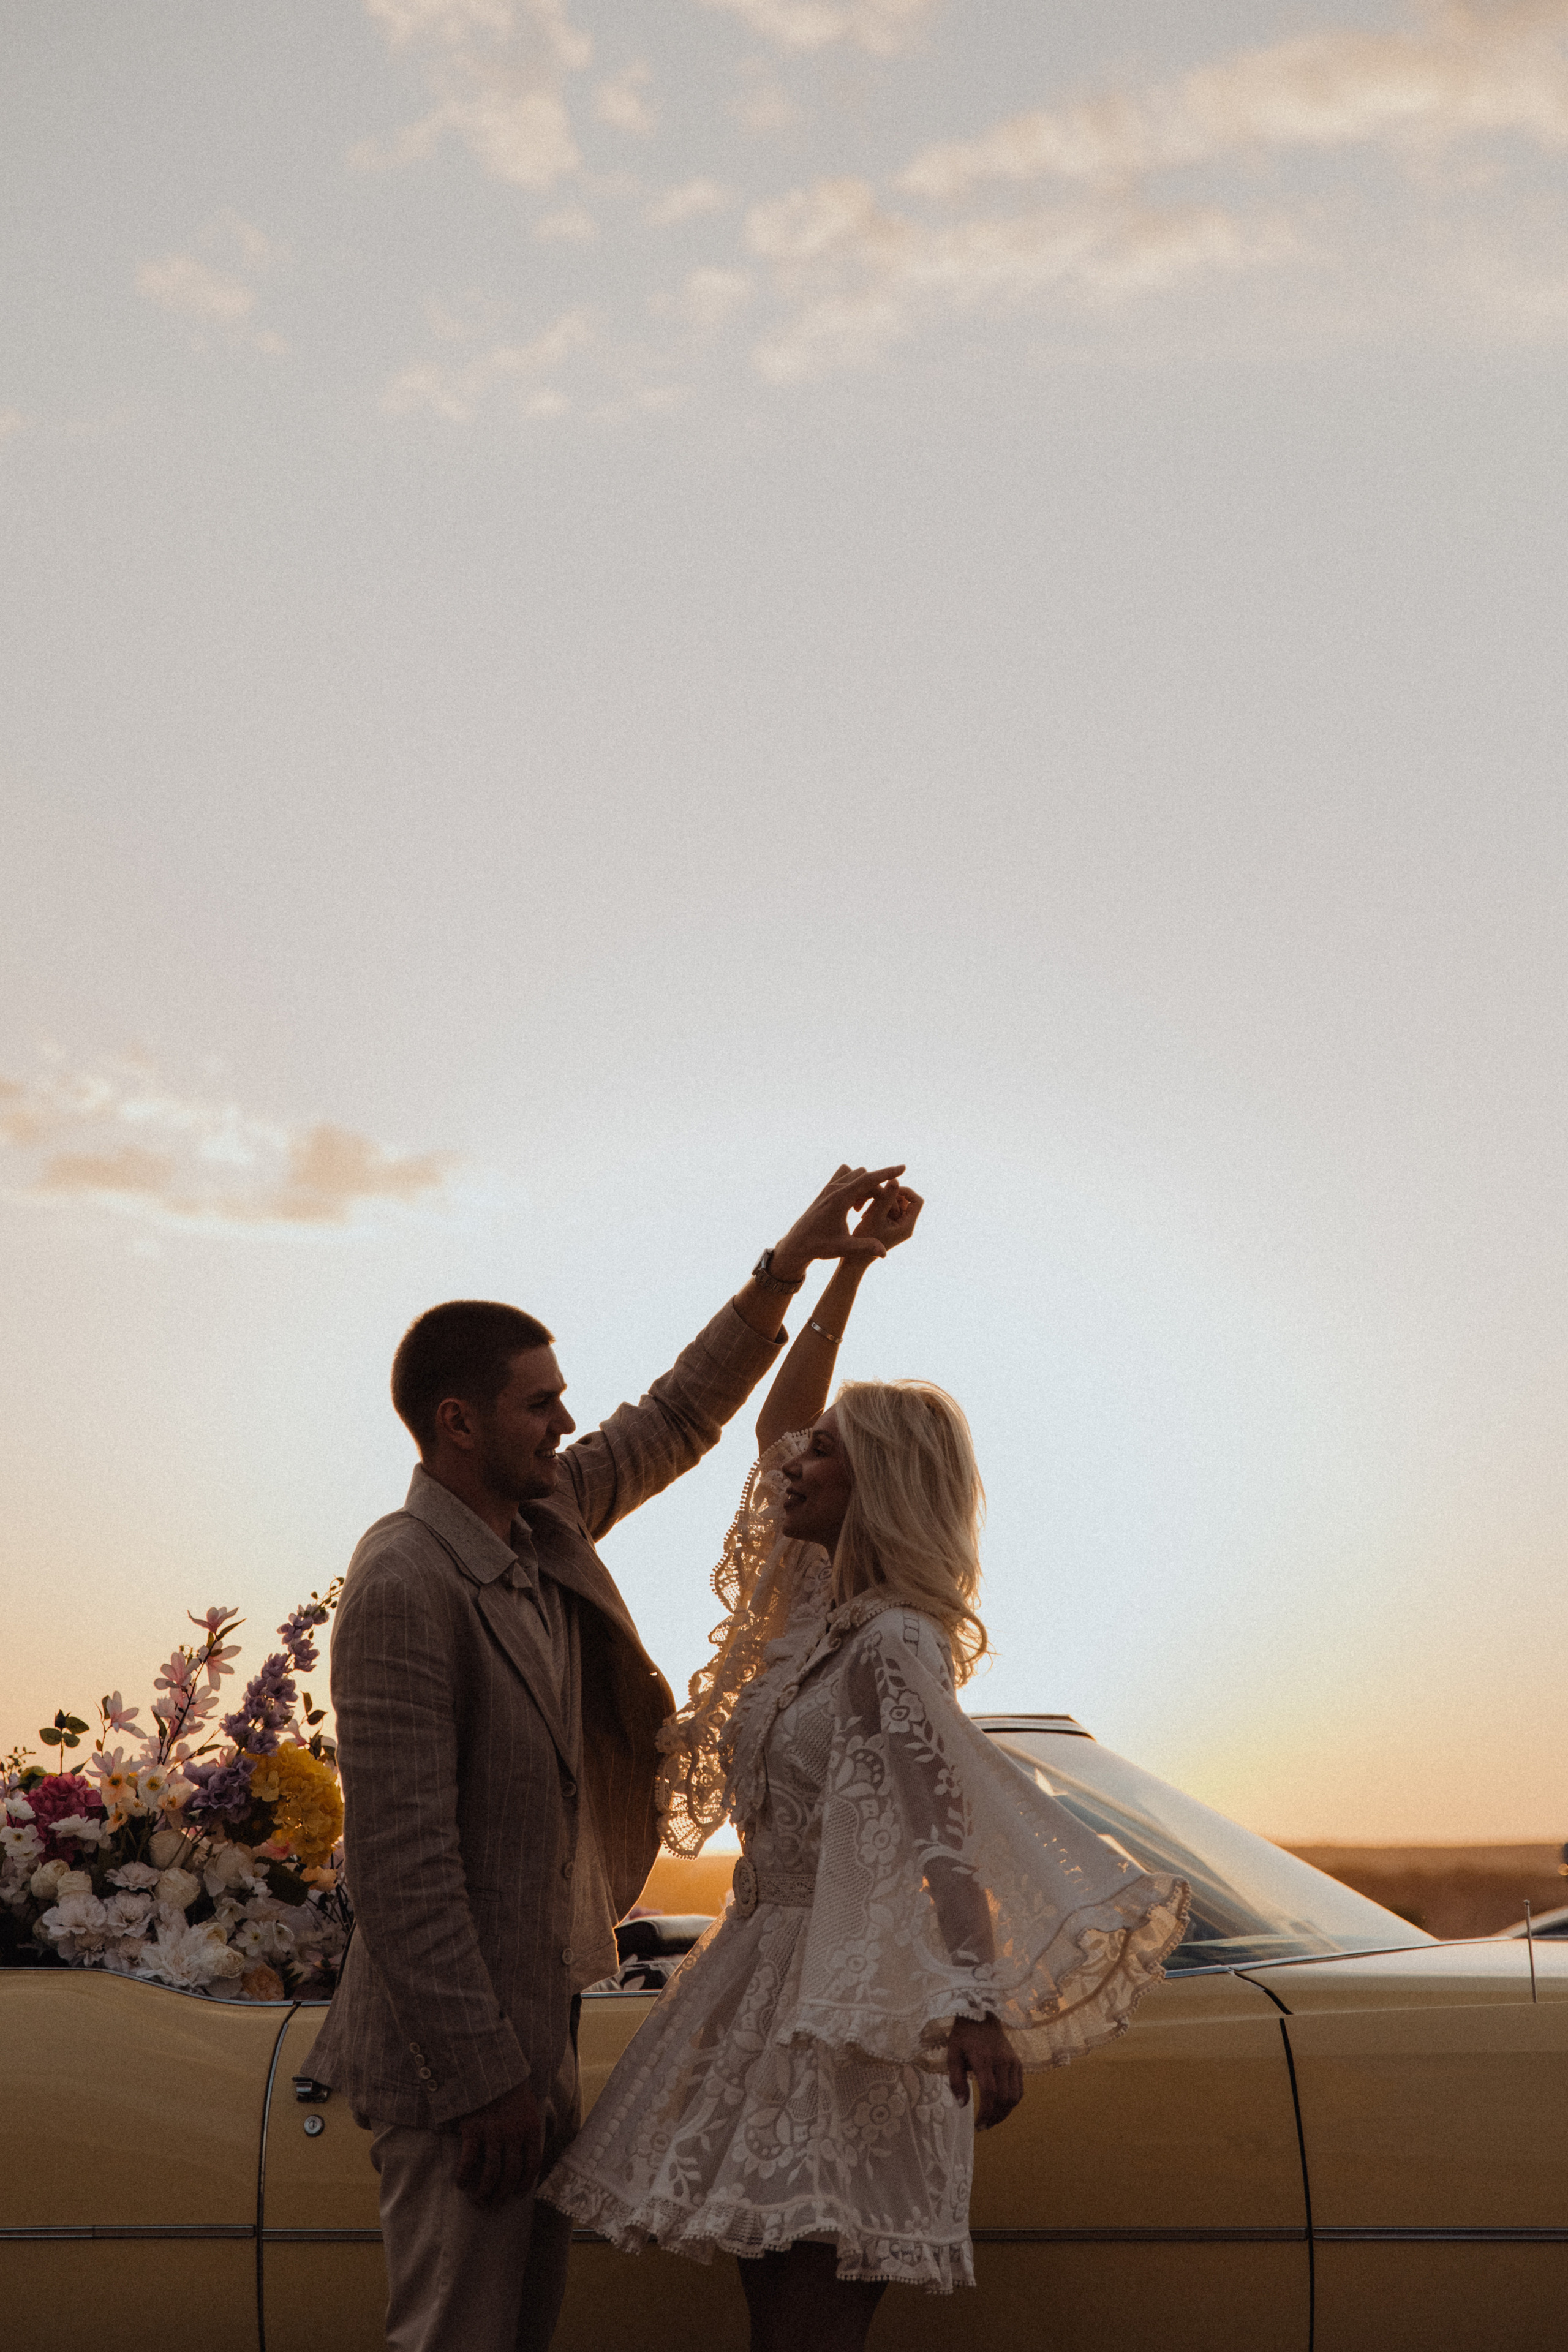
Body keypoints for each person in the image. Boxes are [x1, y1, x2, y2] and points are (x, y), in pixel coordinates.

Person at [539, 1189, 1190, 2351]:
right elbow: (776, 1421)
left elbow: (947, 1840)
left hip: (858, 2016)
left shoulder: (896, 1642)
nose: (794, 1464)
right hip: (761, 1985)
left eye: (825, 1454)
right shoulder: (809, 1616)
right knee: (769, 2318)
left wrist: (975, 2012)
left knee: (811, 2332)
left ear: (875, 1482)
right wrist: (850, 1266)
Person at [307, 1165, 911, 2352]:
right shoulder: (403, 1584)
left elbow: (677, 1417)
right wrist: (484, 2081)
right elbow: (400, 1866)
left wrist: (798, 1261)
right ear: (458, 1425)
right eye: (540, 1405)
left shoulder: (539, 1525)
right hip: (452, 2073)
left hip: (530, 2046)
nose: (567, 1424)